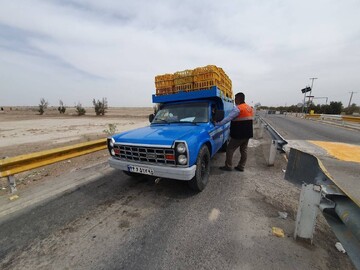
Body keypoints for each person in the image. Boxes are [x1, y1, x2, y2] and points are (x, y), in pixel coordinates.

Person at [215, 92, 254, 172]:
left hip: (239, 134)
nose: (235, 100)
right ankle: (241, 166)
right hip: (247, 134)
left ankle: (228, 166)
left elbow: (227, 119)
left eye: (235, 99)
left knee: (230, 149)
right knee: (244, 150)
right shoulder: (249, 108)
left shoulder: (238, 108)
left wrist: (217, 124)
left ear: (239, 99)